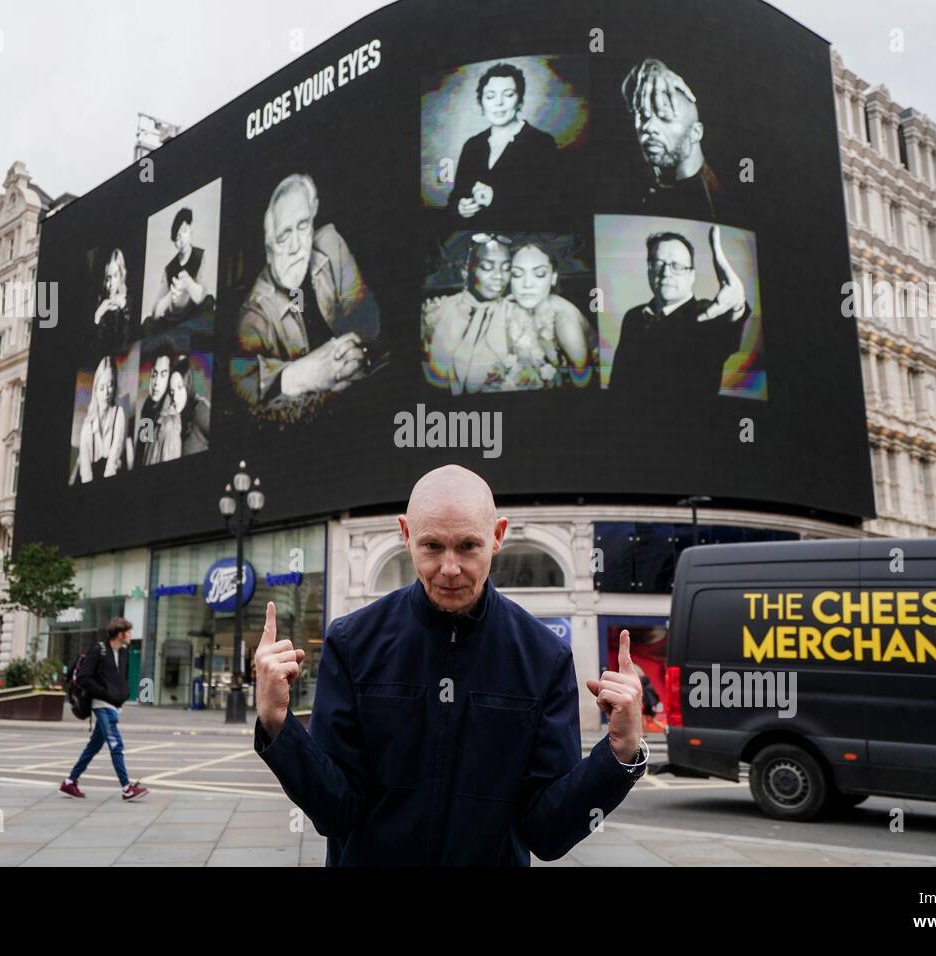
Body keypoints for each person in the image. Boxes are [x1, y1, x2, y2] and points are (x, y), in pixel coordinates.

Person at [253, 465, 647, 866]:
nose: (450, 568)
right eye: (432, 547)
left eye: (468, 546)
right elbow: (336, 810)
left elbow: (546, 832)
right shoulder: (352, 643)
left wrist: (620, 753)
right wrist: (277, 724)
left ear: (497, 536)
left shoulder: (544, 657)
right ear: (406, 535)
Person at [234, 173, 381, 407]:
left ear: (314, 214)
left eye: (302, 226)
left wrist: (356, 349)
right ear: (269, 245)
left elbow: (364, 313)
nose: (295, 247)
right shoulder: (255, 312)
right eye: (283, 236)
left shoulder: (332, 244)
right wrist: (302, 375)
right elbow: (242, 381)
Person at [611, 226, 755, 405]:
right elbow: (617, 383)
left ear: (692, 275)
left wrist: (737, 305)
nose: (666, 273)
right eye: (658, 263)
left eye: (677, 266)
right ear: (649, 269)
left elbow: (727, 332)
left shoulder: (707, 316)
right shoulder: (633, 317)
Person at [446, 62, 559, 227]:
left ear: (520, 100)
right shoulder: (473, 145)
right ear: (482, 103)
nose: (498, 103)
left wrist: (496, 199)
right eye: (490, 96)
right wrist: (460, 208)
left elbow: (551, 207)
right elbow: (455, 198)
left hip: (526, 238)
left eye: (508, 94)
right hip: (476, 236)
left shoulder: (542, 143)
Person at [61, 618, 149, 801]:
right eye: (129, 632)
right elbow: (84, 678)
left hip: (114, 706)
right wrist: (106, 695)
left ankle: (69, 782)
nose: (131, 635)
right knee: (116, 745)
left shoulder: (123, 652)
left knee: (93, 746)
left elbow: (121, 679)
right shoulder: (98, 650)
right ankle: (126, 789)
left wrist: (124, 694)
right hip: (101, 705)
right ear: (120, 634)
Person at [621, 58, 721, 220]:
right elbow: (628, 89)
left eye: (665, 117)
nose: (649, 127)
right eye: (644, 116)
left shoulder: (712, 206)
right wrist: (653, 68)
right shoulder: (638, 176)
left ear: (696, 132)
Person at [421, 234, 514, 394]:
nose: (499, 276)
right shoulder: (435, 312)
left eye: (506, 268)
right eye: (487, 267)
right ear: (466, 271)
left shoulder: (515, 315)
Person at [497, 238, 594, 389]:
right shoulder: (509, 306)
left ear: (553, 278)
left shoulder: (565, 322)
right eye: (517, 274)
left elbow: (583, 383)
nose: (527, 284)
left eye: (540, 274)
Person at [76, 356, 131, 483]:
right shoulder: (87, 427)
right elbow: (85, 472)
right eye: (101, 387)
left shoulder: (119, 414)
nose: (106, 392)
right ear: (95, 390)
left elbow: (113, 458)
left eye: (110, 385)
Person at [149, 207, 208, 321]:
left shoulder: (200, 256)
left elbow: (201, 297)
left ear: (191, 230)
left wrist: (187, 283)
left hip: (195, 317)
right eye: (177, 237)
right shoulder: (169, 268)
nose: (182, 240)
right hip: (174, 319)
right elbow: (156, 312)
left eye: (184, 231)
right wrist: (172, 293)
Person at [153, 354, 210, 461]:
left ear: (188, 384)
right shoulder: (177, 416)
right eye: (172, 391)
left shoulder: (199, 409)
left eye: (180, 387)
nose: (174, 396)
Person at [138, 340, 174, 467]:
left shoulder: (172, 411)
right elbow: (142, 448)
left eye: (163, 375)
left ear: (170, 377)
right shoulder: (148, 406)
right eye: (154, 374)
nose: (156, 382)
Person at [92, 249, 133, 357]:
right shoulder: (99, 301)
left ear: (121, 276)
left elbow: (129, 342)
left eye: (115, 276)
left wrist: (124, 309)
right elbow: (92, 345)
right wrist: (98, 315)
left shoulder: (129, 302)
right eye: (108, 278)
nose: (111, 284)